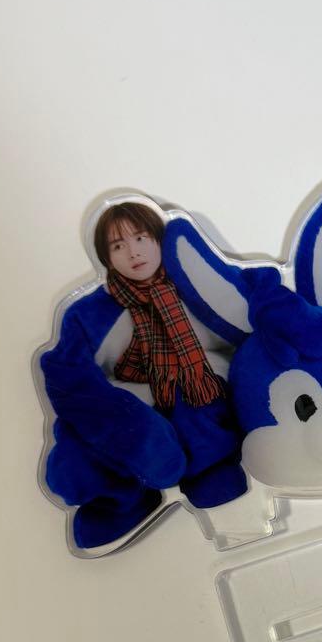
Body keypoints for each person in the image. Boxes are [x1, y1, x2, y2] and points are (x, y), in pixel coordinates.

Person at [40, 202, 248, 549]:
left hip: (199, 389)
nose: (133, 252)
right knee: (82, 446)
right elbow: (66, 373)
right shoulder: (89, 313)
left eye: (140, 238)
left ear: (158, 239)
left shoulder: (197, 285)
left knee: (199, 411)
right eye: (118, 245)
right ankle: (121, 500)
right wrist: (126, 419)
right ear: (107, 258)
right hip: (131, 400)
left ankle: (212, 472)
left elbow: (243, 323)